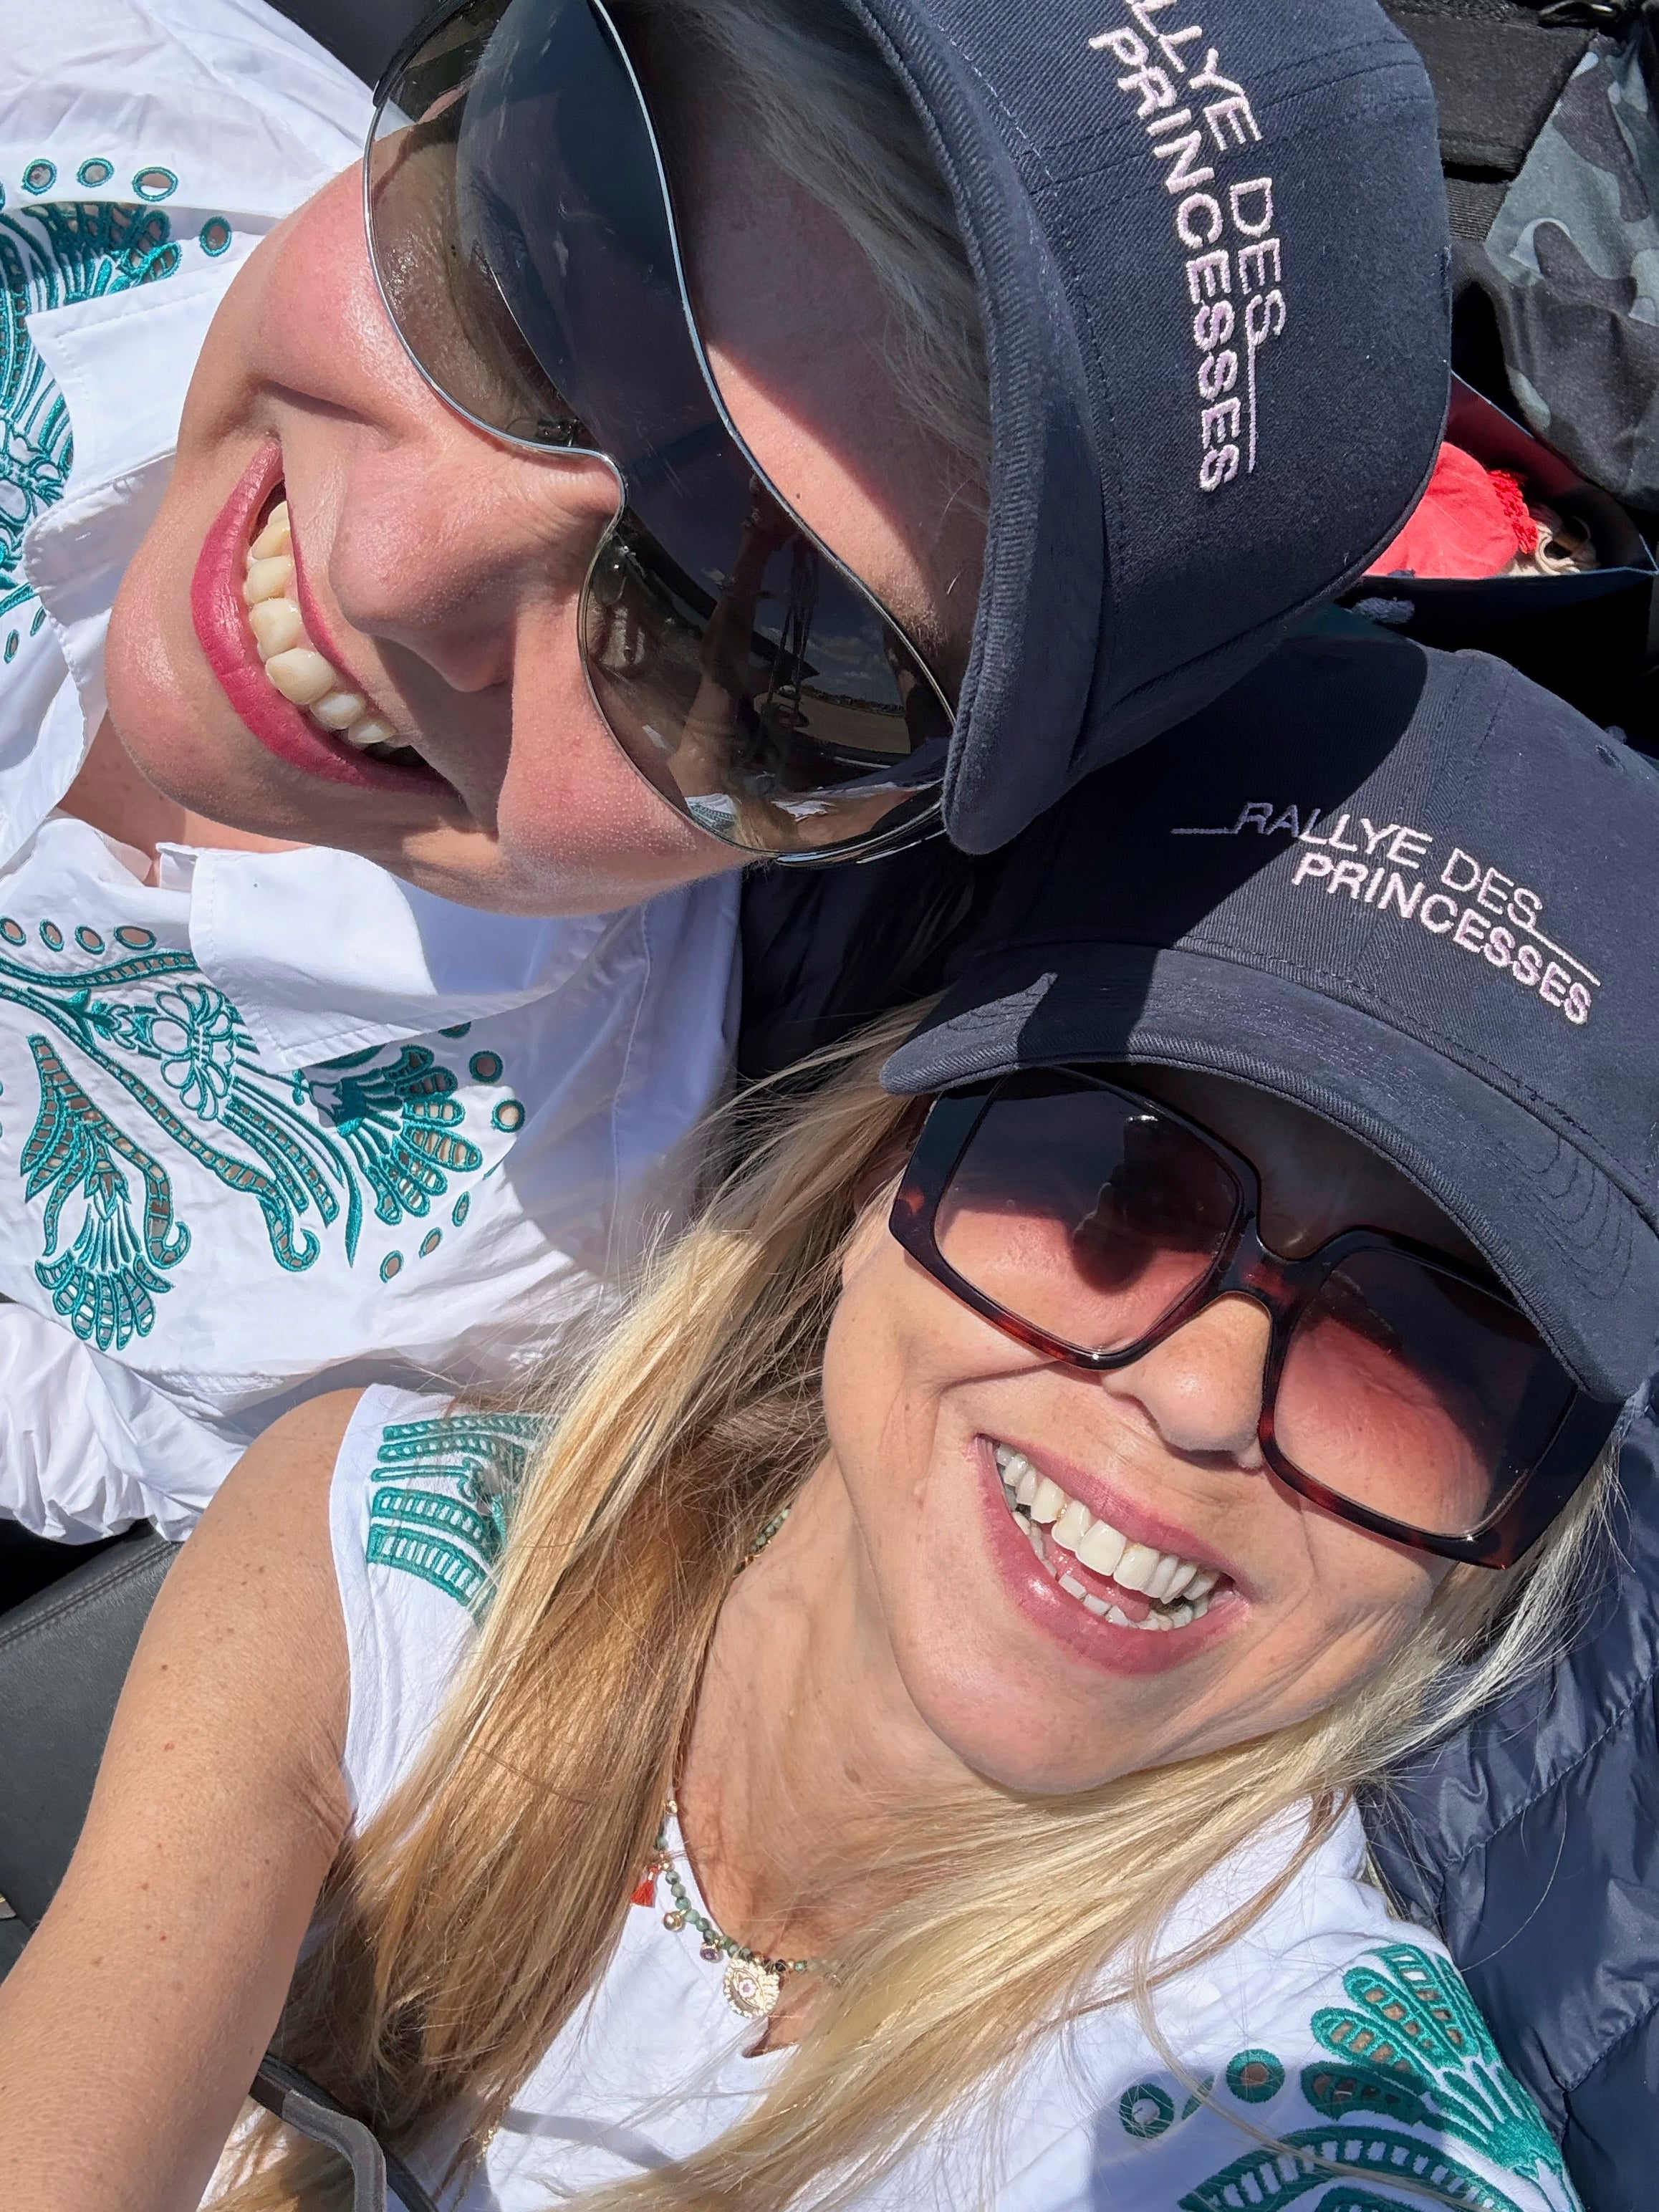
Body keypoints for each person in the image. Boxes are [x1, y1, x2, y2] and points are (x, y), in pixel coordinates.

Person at [1, 627, 1648, 2210]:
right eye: (1113, 1174)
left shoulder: (1299, 2118)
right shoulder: (384, 1577)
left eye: (1426, 1342)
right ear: (879, 1175)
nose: (1201, 1394)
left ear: (1507, 1521)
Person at [0, 0, 1452, 1569]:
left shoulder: (472, 1286)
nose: (393, 567)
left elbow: (104, 1417)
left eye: (743, 643)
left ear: (847, 839)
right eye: (524, 270)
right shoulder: (81, 92)